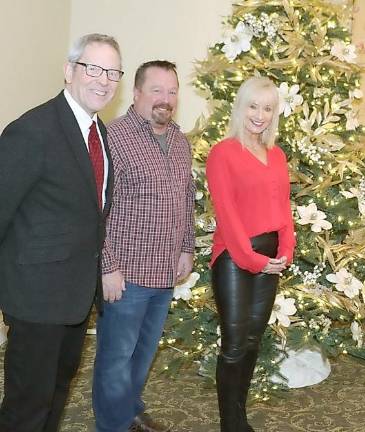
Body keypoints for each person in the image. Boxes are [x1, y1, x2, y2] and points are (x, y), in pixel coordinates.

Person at [0, 33, 122, 431]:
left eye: (113, 72)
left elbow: (91, 215)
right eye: (93, 68)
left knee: (55, 398)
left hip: (73, 300)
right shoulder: (32, 130)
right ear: (69, 71)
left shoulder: (99, 134)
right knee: (26, 409)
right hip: (34, 299)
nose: (103, 80)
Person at [92, 60, 195, 432]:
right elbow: (94, 209)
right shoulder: (113, 138)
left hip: (164, 273)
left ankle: (129, 412)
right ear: (135, 94)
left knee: (142, 355)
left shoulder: (180, 140)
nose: (164, 99)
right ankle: (113, 425)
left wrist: (186, 248)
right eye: (156, 90)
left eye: (171, 91)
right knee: (115, 358)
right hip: (125, 275)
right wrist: (107, 266)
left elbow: (187, 198)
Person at [205, 76, 296, 432]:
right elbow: (227, 217)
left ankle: (239, 416)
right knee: (234, 343)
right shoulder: (222, 152)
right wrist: (254, 260)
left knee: (254, 340)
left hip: (271, 258)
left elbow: (284, 209)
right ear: (241, 107)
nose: (260, 115)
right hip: (234, 258)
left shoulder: (277, 155)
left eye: (268, 108)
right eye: (254, 106)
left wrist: (286, 250)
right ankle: (230, 422)